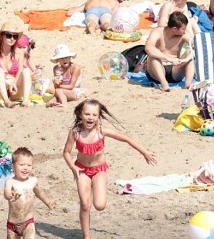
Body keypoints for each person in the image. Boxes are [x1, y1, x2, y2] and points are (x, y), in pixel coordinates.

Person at [63, 99, 156, 239]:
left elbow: (126, 138)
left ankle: (94, 187)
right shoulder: (75, 132)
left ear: (99, 116)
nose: (90, 117)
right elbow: (66, 152)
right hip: (81, 170)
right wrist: (72, 167)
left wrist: (144, 152)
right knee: (84, 204)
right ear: (80, 115)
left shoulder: (102, 131)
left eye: (94, 115)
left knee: (100, 205)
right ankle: (86, 236)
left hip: (99, 170)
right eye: (87, 114)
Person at [4, 147, 55, 239]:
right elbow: (6, 193)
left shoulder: (33, 181)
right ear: (13, 166)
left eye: (29, 165)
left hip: (28, 222)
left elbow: (39, 193)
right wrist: (10, 195)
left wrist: (48, 202)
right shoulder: (10, 181)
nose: (25, 168)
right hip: (12, 225)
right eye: (22, 164)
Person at [145, 12, 195, 91]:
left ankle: (188, 84)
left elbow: (197, 46)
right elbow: (148, 48)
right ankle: (164, 83)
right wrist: (169, 59)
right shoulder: (158, 32)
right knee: (153, 56)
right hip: (157, 71)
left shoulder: (184, 35)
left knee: (190, 55)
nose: (184, 31)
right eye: (183, 29)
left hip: (175, 70)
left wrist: (185, 59)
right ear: (175, 29)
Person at [0, 21, 32, 108]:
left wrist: (14, 82)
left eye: (15, 36)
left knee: (26, 70)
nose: (12, 39)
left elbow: (19, 73)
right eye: (8, 35)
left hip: (14, 88)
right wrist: (7, 82)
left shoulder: (19, 53)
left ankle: (25, 100)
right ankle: (6, 101)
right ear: (1, 36)